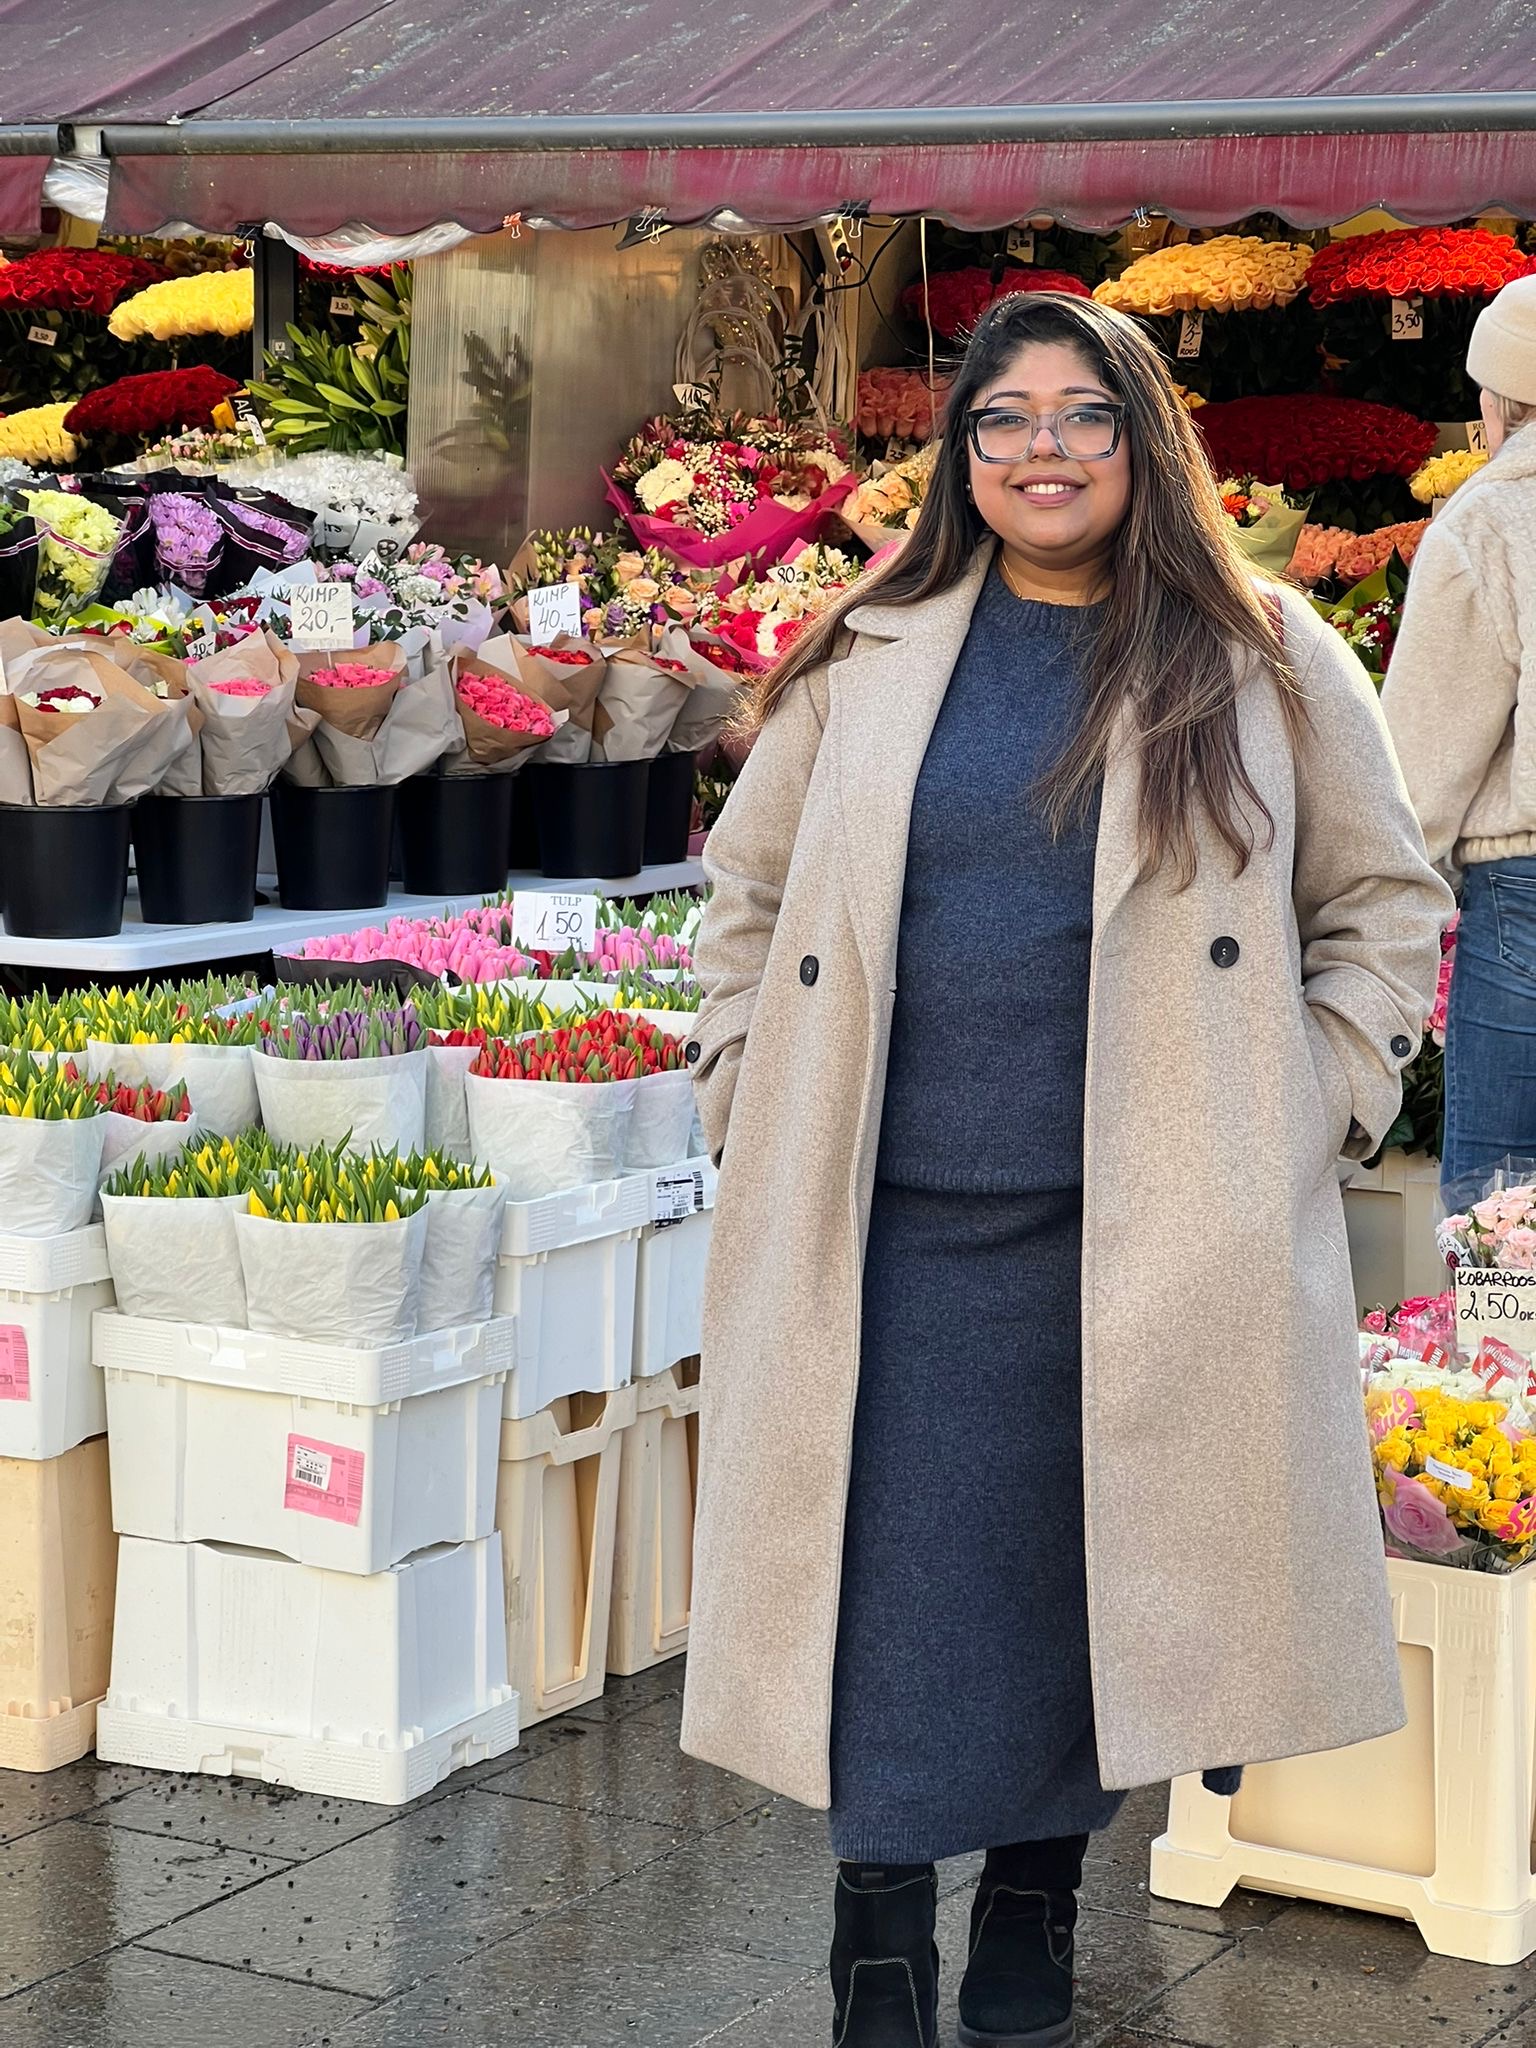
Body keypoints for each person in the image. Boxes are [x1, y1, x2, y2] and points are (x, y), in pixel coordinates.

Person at [679, 292, 1450, 2048]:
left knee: (1086, 1592)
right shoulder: (870, 647)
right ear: (962, 453)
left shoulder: (1258, 652)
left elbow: (1384, 903)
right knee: (878, 1594)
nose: (1045, 449)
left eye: (1084, 414)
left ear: (1142, 439)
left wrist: (1309, 1105)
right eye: (1005, 417)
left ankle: (1036, 1898)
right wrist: (744, 1079)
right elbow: (747, 889)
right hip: (878, 1225)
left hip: (1151, 1227)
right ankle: (879, 1931)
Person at [1383, 274, 1536, 1197]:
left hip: (1526, 888)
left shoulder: (1488, 524)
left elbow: (1419, 772)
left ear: (1503, 398)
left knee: (1502, 1212)